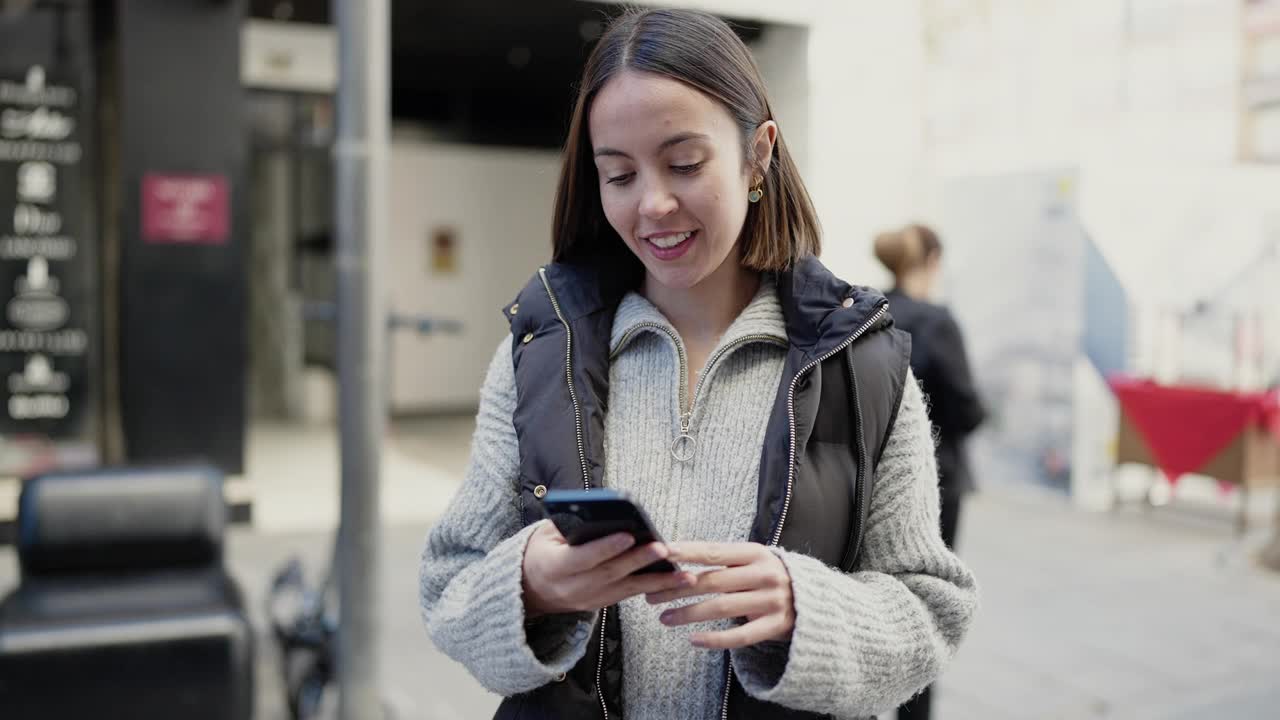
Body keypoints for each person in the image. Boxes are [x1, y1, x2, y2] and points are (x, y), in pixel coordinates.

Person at [420, 9, 978, 720]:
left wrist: (810, 610)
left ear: (757, 155)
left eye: (684, 163)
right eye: (617, 175)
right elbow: (449, 585)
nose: (652, 204)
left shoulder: (860, 360)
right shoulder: (539, 353)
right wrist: (530, 585)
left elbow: (931, 610)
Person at [874, 224, 986, 720]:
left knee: (883, 600)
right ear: (933, 259)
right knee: (927, 610)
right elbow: (966, 408)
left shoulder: (871, 310)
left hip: (875, 479)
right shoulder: (938, 322)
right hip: (936, 482)